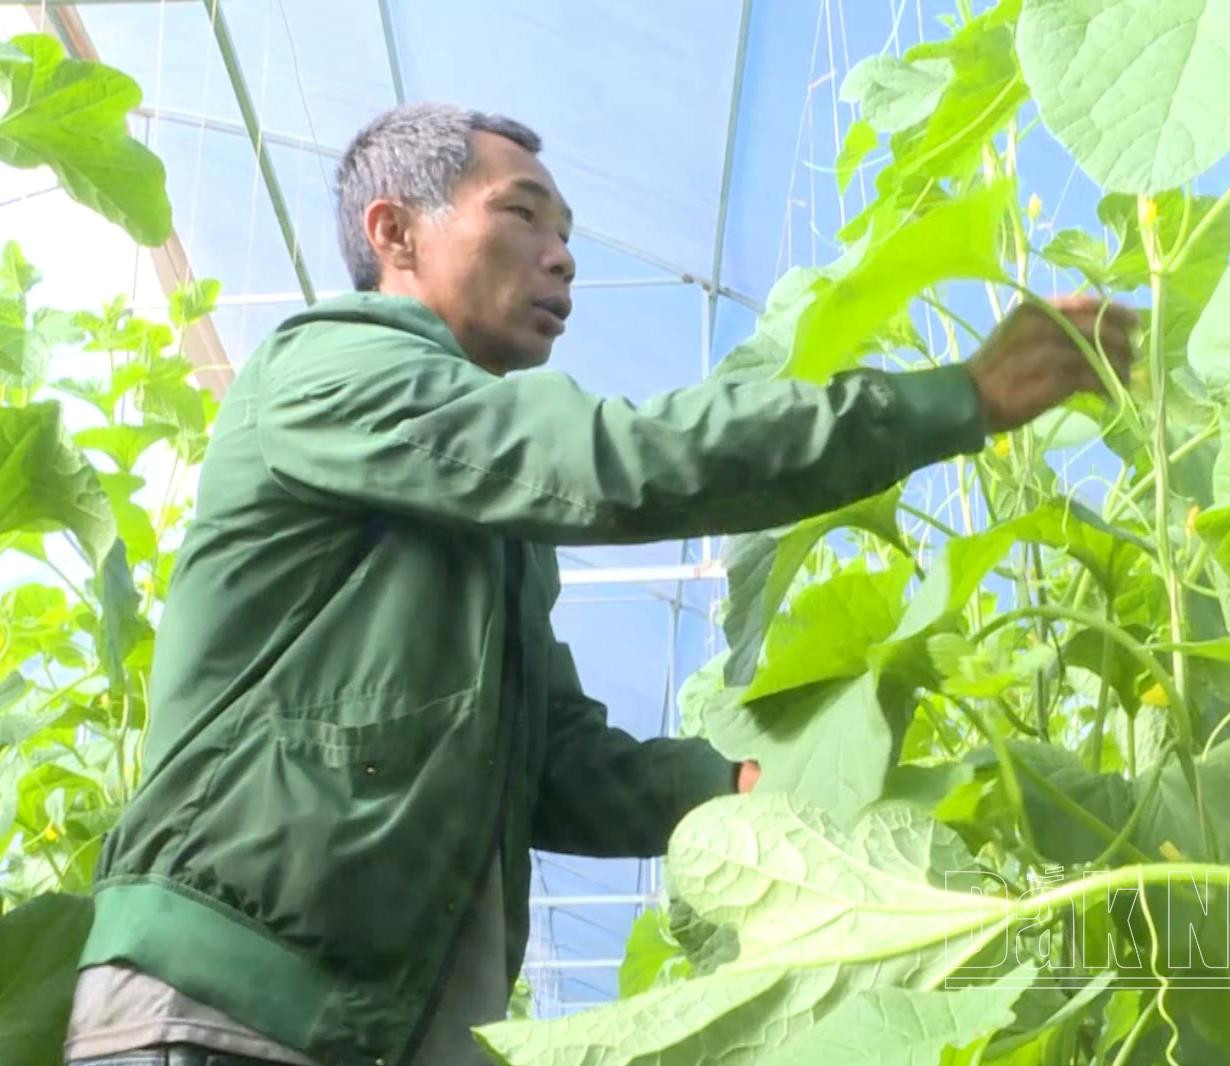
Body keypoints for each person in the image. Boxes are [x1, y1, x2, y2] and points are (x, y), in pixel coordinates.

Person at [63, 103, 1135, 1066]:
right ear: (394, 233)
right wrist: (959, 401)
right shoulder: (325, 370)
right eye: (525, 215)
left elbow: (557, 762)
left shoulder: (501, 530)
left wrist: (739, 788)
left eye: (570, 232)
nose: (563, 258)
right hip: (217, 1011)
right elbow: (615, 460)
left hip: (373, 1030)